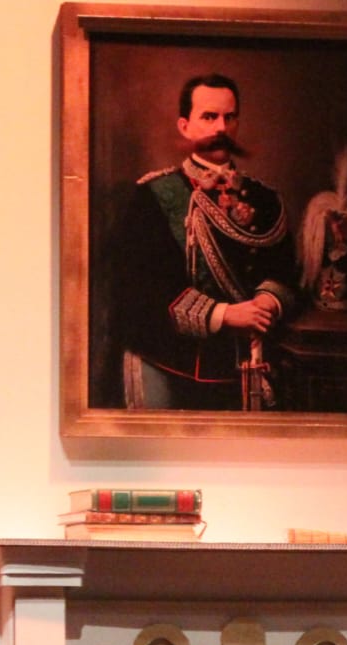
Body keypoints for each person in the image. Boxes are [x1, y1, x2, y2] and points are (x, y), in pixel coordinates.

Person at [108, 73, 300, 411]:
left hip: (250, 363)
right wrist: (225, 314)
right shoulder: (153, 195)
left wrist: (265, 304)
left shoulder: (266, 199)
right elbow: (141, 288)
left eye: (229, 117)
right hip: (176, 364)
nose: (221, 127)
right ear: (185, 126)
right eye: (209, 117)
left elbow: (284, 269)